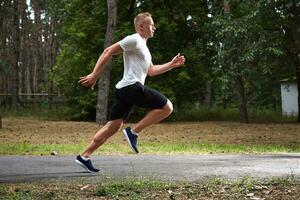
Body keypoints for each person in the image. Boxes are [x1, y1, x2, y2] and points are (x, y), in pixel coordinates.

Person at [75, 12, 185, 172]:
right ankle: (133, 131)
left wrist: (171, 64)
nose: (154, 27)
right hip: (132, 87)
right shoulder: (134, 39)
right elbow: (108, 51)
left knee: (112, 127)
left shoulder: (144, 47)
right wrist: (95, 74)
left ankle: (84, 156)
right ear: (141, 26)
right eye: (151, 24)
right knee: (167, 107)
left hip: (124, 89)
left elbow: (152, 71)